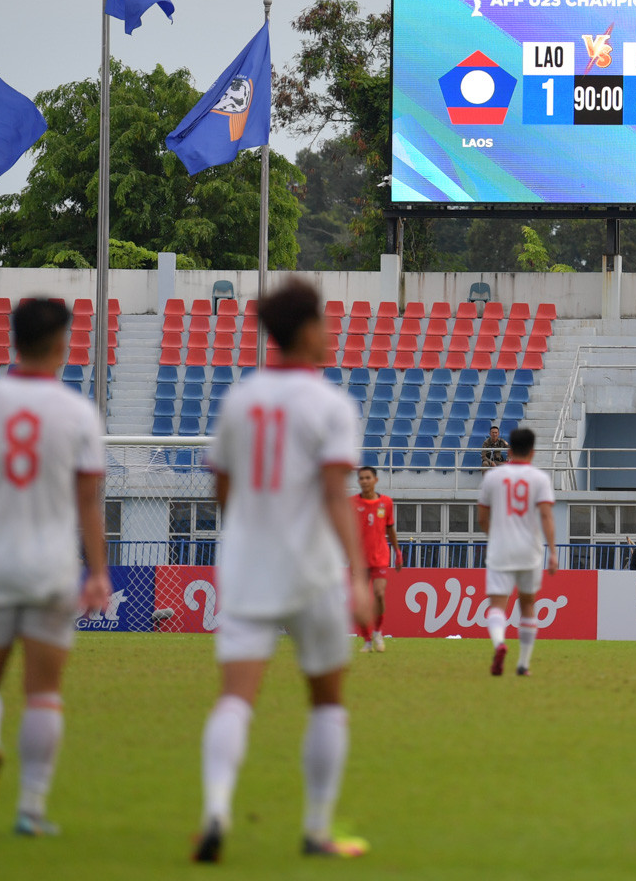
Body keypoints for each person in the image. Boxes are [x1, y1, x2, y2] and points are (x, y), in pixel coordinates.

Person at [194, 282, 373, 862]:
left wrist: (248, 530)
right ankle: (318, 828)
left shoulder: (239, 400)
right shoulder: (331, 406)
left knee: (234, 699)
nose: (331, 332)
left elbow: (221, 485)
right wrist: (360, 577)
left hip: (248, 569)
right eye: (323, 322)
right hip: (312, 571)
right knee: (326, 701)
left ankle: (217, 808)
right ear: (305, 330)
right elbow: (333, 493)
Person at [0, 297, 109, 838]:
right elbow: (89, 502)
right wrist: (99, 572)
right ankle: (31, 810)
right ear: (63, 344)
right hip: (51, 568)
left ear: (12, 339)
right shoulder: (78, 412)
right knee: (43, 693)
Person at [476, 427, 557, 678]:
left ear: (508, 451)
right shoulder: (540, 478)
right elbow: (545, 516)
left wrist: (496, 536)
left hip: (501, 548)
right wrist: (553, 552)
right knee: (527, 605)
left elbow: (482, 518)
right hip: (529, 550)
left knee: (498, 605)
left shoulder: (492, 477)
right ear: (533, 452)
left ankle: (500, 643)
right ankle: (523, 664)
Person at [354, 466, 400, 653]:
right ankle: (366, 639)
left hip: (380, 556)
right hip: (359, 559)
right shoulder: (351, 503)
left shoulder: (386, 502)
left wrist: (398, 552)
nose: (364, 481)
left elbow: (390, 529)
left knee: (379, 594)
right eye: (361, 478)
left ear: (375, 480)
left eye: (367, 477)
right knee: (360, 601)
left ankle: (378, 632)